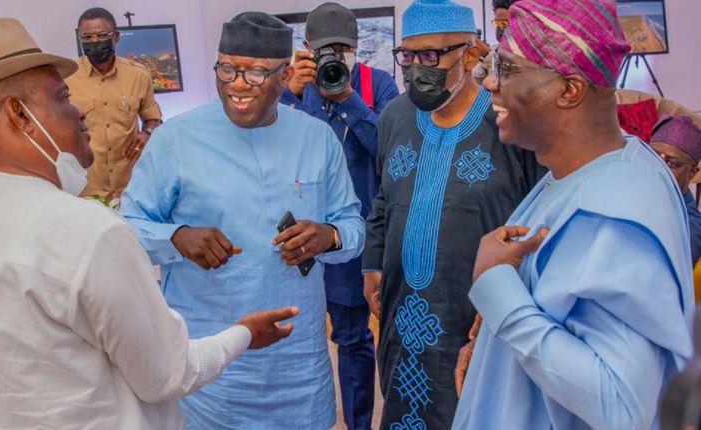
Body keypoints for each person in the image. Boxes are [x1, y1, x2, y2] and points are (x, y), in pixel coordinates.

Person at [0, 17, 298, 430]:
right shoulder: (89, 233)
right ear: (20, 115)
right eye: (62, 97)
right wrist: (243, 334)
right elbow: (167, 374)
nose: (79, 111)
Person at [452, 0, 694, 428]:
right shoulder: (587, 168)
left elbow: (623, 405)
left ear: (570, 90)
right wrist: (493, 343)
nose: (489, 82)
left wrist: (497, 290)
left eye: (507, 68)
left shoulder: (617, 212)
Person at [120, 12, 365, 430]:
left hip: (298, 361)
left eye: (255, 73)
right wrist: (177, 237)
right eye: (227, 68)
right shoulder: (175, 140)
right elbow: (127, 230)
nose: (237, 84)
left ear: (285, 74)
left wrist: (329, 236)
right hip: (212, 360)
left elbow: (354, 227)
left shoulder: (316, 137)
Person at [361, 0, 545, 428]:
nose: (415, 69)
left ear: (472, 52)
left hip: (477, 315)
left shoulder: (508, 124)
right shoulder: (394, 117)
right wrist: (372, 263)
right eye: (407, 56)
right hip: (401, 313)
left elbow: (537, 219)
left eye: (431, 56)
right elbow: (384, 201)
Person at [279, 3, 399, 429]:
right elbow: (266, 150)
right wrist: (288, 94)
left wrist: (347, 100)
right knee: (294, 337)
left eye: (344, 48)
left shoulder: (379, 84)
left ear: (357, 48)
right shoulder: (290, 90)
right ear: (307, 48)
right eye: (326, 49)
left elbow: (391, 153)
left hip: (353, 237)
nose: (335, 57)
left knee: (352, 340)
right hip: (294, 238)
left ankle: (359, 424)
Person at [66, 7, 162, 202]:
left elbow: (153, 119)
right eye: (87, 37)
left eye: (101, 35)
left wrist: (148, 133)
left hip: (131, 188)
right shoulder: (66, 78)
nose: (95, 42)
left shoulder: (138, 75)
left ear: (116, 36)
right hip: (85, 190)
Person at [649, 115, 701, 266]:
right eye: (652, 155)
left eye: (672, 164)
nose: (658, 167)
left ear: (692, 173)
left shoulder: (689, 228)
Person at [473, 0, 520, 85]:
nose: (500, 28)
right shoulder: (495, 49)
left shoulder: (529, 55)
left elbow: (503, 85)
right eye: (498, 22)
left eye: (505, 23)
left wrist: (487, 55)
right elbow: (479, 79)